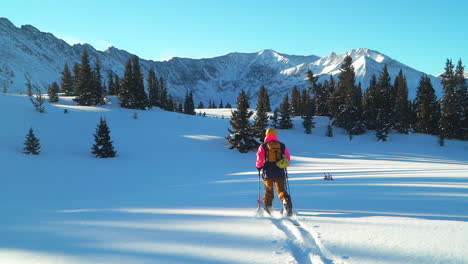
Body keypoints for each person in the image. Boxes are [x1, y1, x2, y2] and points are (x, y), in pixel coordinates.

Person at [256, 128, 293, 216]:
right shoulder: (282, 145)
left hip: (268, 171)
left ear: (266, 135)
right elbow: (287, 157)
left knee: (268, 190)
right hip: (280, 170)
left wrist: (258, 167)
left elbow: (260, 158)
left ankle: (268, 208)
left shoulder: (263, 146)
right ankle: (285, 200)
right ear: (275, 135)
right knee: (281, 189)